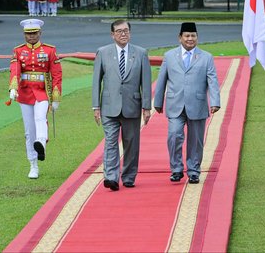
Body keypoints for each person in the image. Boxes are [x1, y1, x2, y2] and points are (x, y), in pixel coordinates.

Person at [153, 22, 220, 184]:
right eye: (187, 36)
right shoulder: (169, 56)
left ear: (197, 37)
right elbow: (162, 79)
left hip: (197, 104)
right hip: (175, 104)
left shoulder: (206, 57)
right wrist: (158, 101)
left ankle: (194, 170)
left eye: (193, 36)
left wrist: (215, 101)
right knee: (174, 135)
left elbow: (212, 80)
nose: (190, 39)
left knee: (196, 140)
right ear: (180, 38)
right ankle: (176, 169)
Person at [92, 19, 152, 191]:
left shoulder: (141, 53)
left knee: (131, 143)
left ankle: (129, 176)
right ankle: (111, 177)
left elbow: (146, 82)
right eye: (119, 31)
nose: (123, 34)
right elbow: (96, 81)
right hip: (109, 107)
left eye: (126, 30)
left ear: (130, 33)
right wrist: (96, 106)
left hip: (132, 105)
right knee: (110, 142)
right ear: (112, 34)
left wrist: (146, 107)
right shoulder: (103, 52)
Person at [8, 19, 62, 179]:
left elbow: (57, 74)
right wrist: (13, 87)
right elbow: (14, 70)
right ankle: (33, 165)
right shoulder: (18, 51)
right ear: (24, 34)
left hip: (42, 91)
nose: (31, 36)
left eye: (34, 33)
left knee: (40, 117)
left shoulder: (50, 50)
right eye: (28, 34)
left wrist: (56, 96)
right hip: (25, 92)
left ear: (40, 33)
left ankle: (41, 143)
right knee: (28, 130)